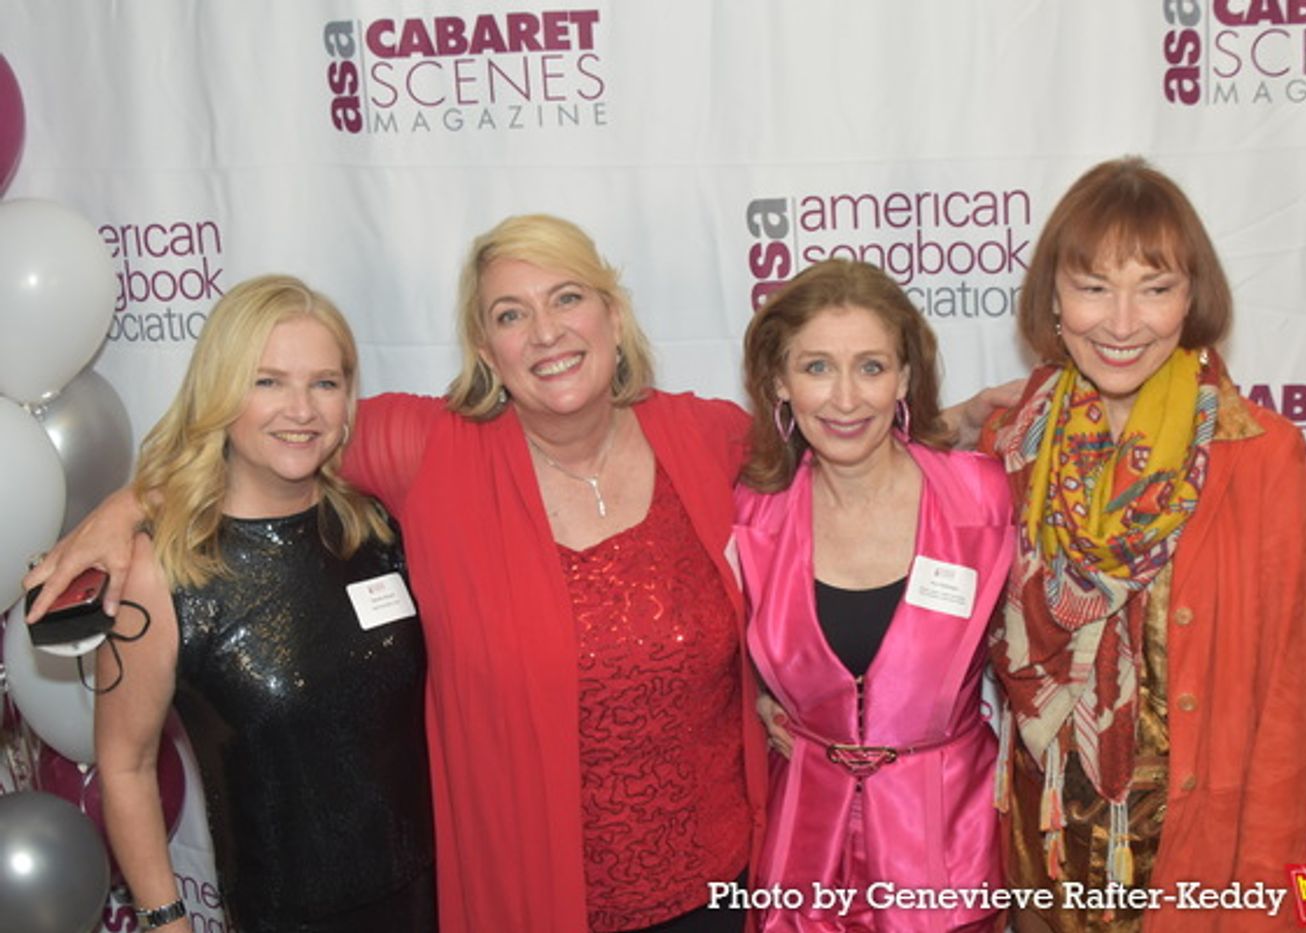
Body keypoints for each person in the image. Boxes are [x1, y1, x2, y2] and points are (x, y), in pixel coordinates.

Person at [34, 216, 769, 932]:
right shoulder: (429, 449)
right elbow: (273, 440)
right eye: (512, 314)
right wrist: (129, 505)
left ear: (613, 312)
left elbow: (815, 539)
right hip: (526, 893)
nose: (546, 331)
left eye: (568, 296)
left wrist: (794, 699)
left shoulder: (710, 438)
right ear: (487, 348)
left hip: (720, 885)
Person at [982, 157, 1306, 931]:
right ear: (1054, 300)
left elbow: (1285, 706)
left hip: (1190, 861)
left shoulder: (1260, 454)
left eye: (1155, 287)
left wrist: (1267, 903)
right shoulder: (1014, 441)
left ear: (1192, 298)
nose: (1123, 322)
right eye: (1094, 286)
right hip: (1046, 855)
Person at [93, 276, 436, 932]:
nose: (300, 409)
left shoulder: (380, 526)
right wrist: (167, 921)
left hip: (434, 900)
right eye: (268, 380)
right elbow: (126, 763)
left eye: (324, 382)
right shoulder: (163, 572)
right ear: (221, 391)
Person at [735, 259, 1014, 931]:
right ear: (779, 379)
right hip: (802, 864)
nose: (845, 398)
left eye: (870, 367)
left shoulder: (985, 495)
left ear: (905, 378)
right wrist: (761, 698)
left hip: (949, 853)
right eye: (817, 367)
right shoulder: (749, 517)